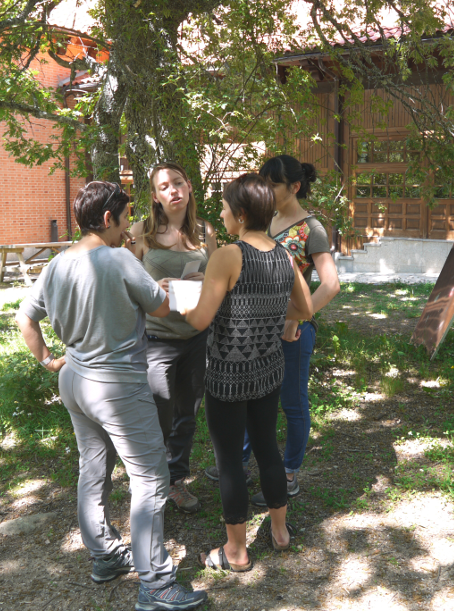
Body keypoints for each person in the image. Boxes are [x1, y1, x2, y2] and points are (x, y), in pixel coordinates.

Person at [16, 181, 207, 611]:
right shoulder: (119, 257)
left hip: (76, 381)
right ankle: (156, 584)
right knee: (151, 478)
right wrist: (166, 285)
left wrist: (49, 360)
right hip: (117, 386)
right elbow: (161, 308)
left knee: (93, 469)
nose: (128, 229)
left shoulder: (58, 263)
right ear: (108, 219)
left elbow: (25, 320)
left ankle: (103, 555)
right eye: (124, 219)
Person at [175, 173, 313, 571]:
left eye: (223, 208)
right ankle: (281, 532)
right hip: (268, 369)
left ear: (239, 213)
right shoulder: (283, 253)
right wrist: (267, 315)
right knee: (268, 448)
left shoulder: (228, 255)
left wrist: (181, 300)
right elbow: (304, 309)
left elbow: (201, 319)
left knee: (230, 460)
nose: (220, 215)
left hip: (227, 374)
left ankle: (235, 552)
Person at [204, 155, 340, 505]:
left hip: (291, 333)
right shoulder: (265, 221)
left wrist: (297, 318)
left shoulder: (313, 229)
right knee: (253, 402)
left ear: (294, 187)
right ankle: (242, 462)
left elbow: (331, 284)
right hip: (257, 333)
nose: (265, 189)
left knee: (292, 404)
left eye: (273, 183)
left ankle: (290, 472)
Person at [128, 162, 217, 514]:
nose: (173, 190)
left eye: (178, 182)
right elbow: (124, 282)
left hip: (197, 337)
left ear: (189, 186)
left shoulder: (205, 231)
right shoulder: (141, 232)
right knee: (157, 412)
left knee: (187, 414)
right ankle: (151, 481)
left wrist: (203, 282)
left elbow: (218, 279)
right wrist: (153, 288)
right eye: (164, 186)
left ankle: (176, 481)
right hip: (157, 338)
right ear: (155, 196)